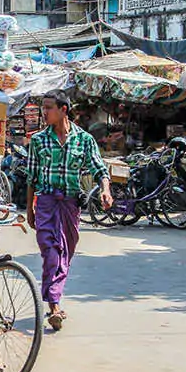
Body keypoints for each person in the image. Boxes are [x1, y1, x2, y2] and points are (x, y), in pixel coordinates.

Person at [26, 92, 113, 331]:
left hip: (71, 205)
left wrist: (105, 190)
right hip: (45, 202)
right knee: (51, 252)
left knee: (65, 253)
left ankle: (54, 299)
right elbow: (31, 178)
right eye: (43, 108)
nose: (44, 113)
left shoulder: (84, 140)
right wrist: (29, 210)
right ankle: (54, 305)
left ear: (64, 109)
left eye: (49, 108)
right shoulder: (38, 141)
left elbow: (99, 168)